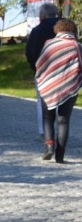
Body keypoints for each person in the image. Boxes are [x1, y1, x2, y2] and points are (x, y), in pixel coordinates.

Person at [34, 19, 82, 163]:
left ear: (57, 30)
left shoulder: (49, 44)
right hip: (70, 86)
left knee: (47, 118)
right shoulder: (77, 46)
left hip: (48, 84)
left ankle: (49, 147)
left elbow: (40, 63)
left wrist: (41, 77)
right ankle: (60, 156)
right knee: (63, 120)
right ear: (73, 31)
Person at [26, 3, 61, 135]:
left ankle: (44, 131)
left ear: (43, 15)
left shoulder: (37, 30)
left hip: (42, 71)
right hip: (62, 70)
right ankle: (60, 129)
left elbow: (31, 52)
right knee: (60, 100)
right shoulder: (66, 28)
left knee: (42, 101)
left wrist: (34, 67)